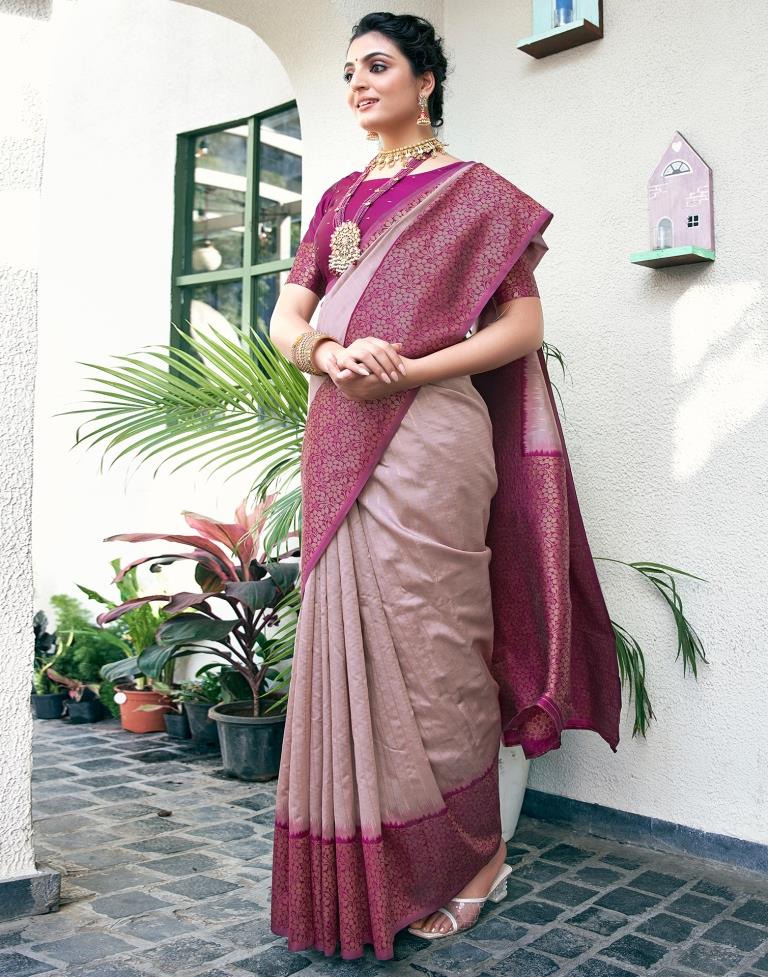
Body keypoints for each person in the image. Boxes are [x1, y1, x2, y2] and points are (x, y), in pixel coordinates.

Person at [268, 11, 622, 961]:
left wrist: (411, 368)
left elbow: (522, 328)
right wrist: (327, 353)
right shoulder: (338, 201)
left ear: (426, 82)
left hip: (431, 432)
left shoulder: (475, 194)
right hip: (340, 428)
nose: (358, 83)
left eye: (378, 66)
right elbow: (287, 317)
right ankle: (371, 868)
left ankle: (476, 856)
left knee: (439, 647)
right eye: (349, 70)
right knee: (349, 644)